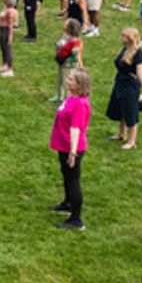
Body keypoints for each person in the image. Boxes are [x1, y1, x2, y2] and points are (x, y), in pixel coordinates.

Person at [50, 69, 92, 230]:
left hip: (71, 147)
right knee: (66, 176)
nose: (68, 81)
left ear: (79, 85)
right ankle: (68, 203)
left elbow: (76, 128)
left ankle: (76, 220)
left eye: (71, 80)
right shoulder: (71, 98)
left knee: (73, 181)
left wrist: (73, 151)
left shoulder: (80, 104)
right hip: (63, 144)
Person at [106, 28, 142, 150]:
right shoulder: (125, 49)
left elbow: (140, 71)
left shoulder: (138, 53)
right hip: (120, 82)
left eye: (123, 36)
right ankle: (122, 133)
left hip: (130, 86)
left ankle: (132, 141)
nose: (121, 38)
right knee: (121, 109)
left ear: (130, 38)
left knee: (130, 112)